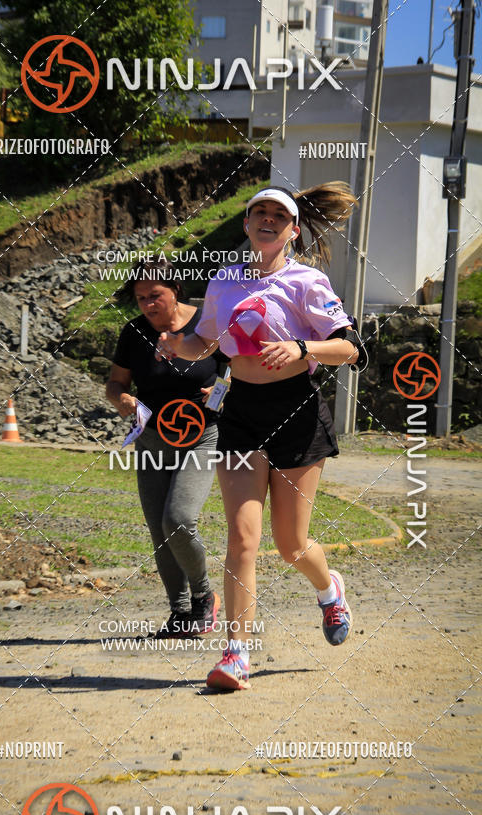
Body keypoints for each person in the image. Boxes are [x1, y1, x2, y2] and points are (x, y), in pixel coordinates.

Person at [157, 182, 367, 689]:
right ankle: (236, 654)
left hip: (296, 411)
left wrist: (302, 349)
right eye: (259, 213)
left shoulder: (306, 283)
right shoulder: (224, 282)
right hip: (242, 413)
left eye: (279, 214)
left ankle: (329, 589)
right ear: (247, 224)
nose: (268, 219)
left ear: (293, 230)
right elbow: (204, 340)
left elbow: (352, 349)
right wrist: (173, 346)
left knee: (291, 544)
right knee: (242, 541)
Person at [106, 260, 225, 639]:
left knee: (178, 519)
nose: (148, 305)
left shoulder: (207, 322)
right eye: (140, 298)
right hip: (153, 439)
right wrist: (122, 399)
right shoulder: (134, 333)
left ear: (175, 290)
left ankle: (205, 596)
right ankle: (179, 610)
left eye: (155, 295)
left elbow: (237, 372)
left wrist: (221, 392)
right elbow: (115, 383)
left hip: (202, 434)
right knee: (159, 529)